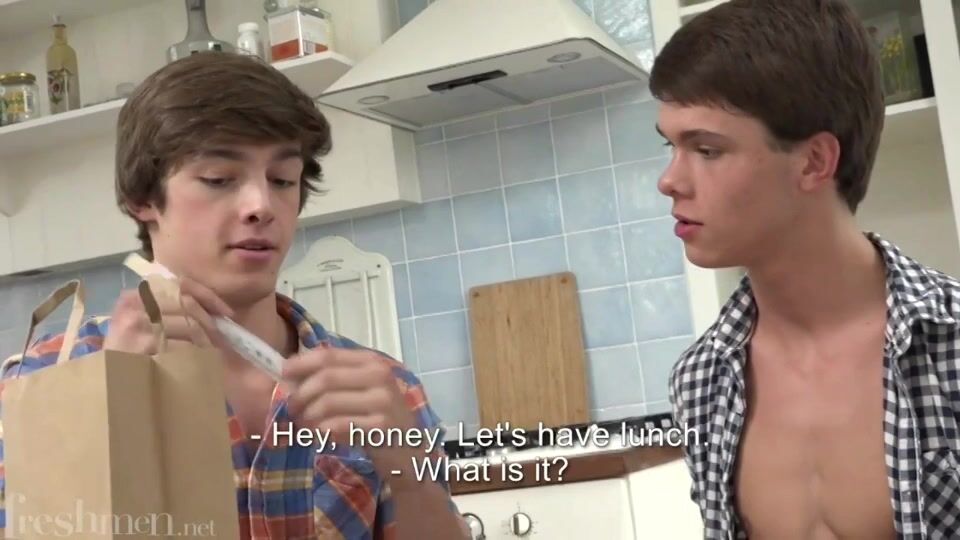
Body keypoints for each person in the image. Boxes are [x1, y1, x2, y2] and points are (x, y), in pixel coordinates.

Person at [0, 52, 468, 540]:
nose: (261, 205)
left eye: (282, 180)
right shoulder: (42, 382)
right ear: (142, 199)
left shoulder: (385, 389)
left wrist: (412, 479)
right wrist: (109, 417)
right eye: (219, 179)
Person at [652, 1, 960, 538]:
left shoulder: (951, 344)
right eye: (670, 146)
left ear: (814, 162)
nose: (669, 181)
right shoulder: (701, 380)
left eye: (706, 149)